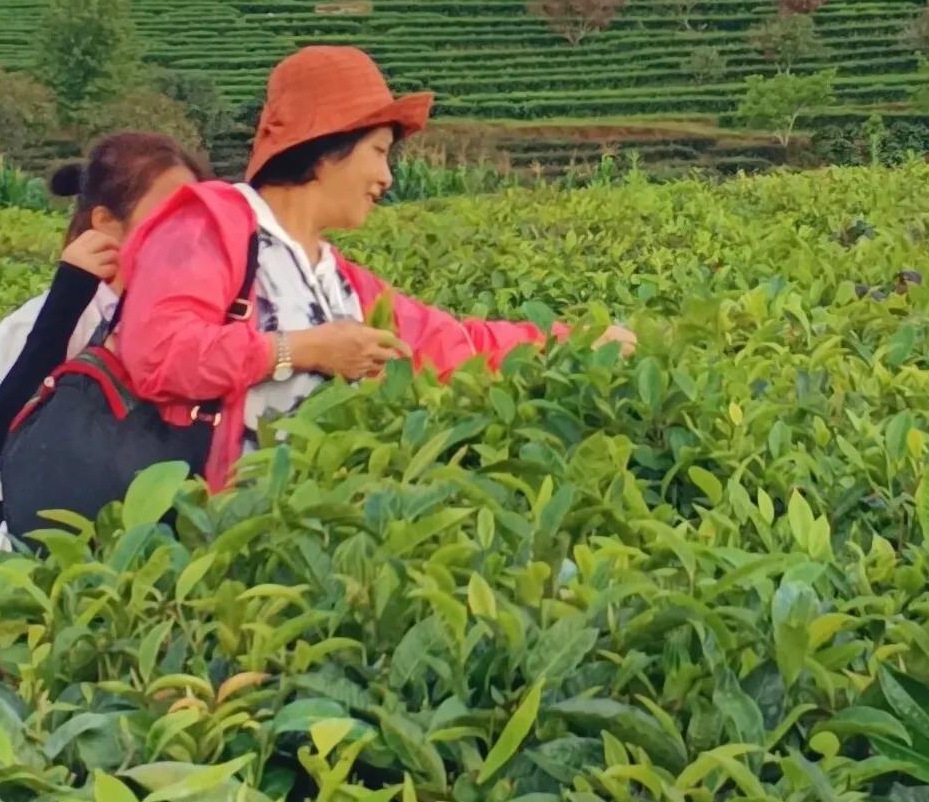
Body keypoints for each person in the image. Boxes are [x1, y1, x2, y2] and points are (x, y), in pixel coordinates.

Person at [107, 42, 622, 487]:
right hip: (207, 532)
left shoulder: (343, 282)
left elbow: (451, 345)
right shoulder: (209, 228)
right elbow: (159, 354)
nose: (386, 177)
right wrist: (304, 350)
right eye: (378, 152)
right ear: (328, 147)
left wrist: (573, 342)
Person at [0, 129, 202, 540]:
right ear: (106, 224)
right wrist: (66, 298)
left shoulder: (197, 314)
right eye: (169, 217)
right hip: (44, 545)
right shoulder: (44, 321)